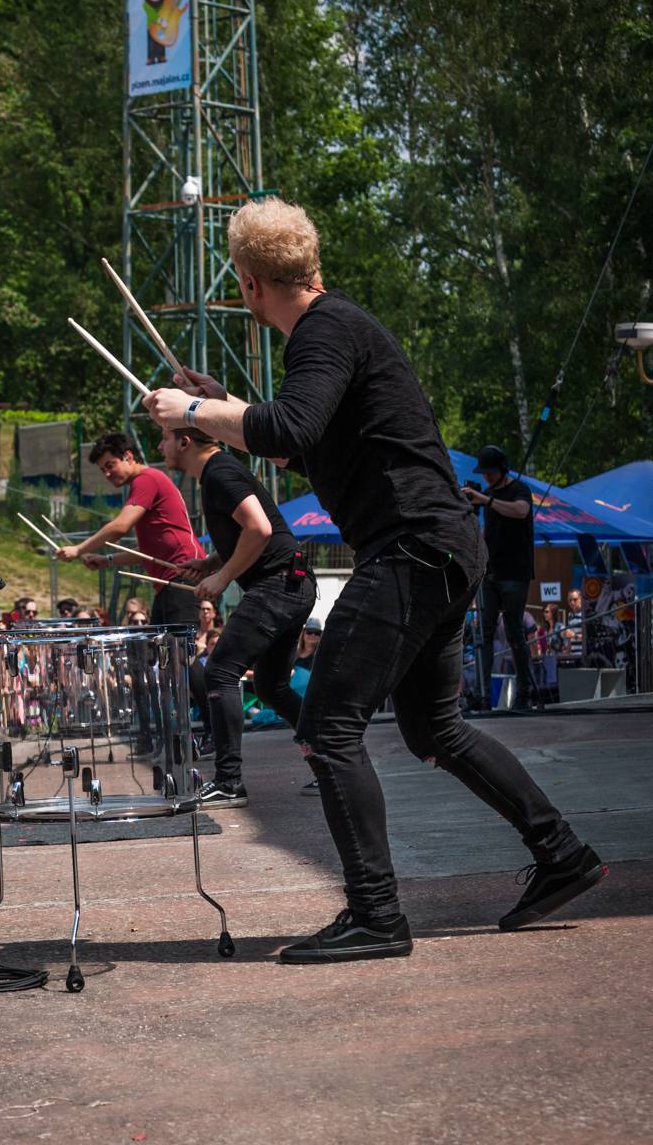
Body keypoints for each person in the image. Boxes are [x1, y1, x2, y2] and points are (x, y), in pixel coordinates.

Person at [144, 195, 604, 961]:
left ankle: (375, 914)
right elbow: (299, 446)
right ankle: (561, 855)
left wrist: (190, 405)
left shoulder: (322, 333)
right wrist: (224, 406)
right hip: (441, 548)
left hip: (411, 548)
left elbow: (286, 428)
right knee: (434, 728)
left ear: (251, 283)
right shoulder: (339, 329)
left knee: (328, 726)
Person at [160, 426, 315, 806]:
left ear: (185, 441)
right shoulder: (216, 474)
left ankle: (228, 782)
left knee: (221, 670)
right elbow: (246, 535)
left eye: (163, 437)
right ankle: (332, 758)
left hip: (278, 585)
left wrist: (222, 577)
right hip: (289, 584)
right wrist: (211, 561)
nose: (160, 446)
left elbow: (259, 529)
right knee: (270, 686)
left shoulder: (220, 472)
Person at [56, 432, 206, 626]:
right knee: (164, 651)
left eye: (110, 465)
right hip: (169, 582)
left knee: (179, 652)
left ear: (128, 456)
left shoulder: (146, 479)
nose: (107, 474)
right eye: (103, 470)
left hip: (183, 575)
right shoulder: (145, 482)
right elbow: (148, 552)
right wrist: (108, 560)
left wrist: (78, 549)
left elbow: (120, 526)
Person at [461, 445, 536, 709]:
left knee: (515, 632)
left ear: (502, 469)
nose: (487, 478)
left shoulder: (519, 490)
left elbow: (521, 511)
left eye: (490, 472)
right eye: (485, 473)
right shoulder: (488, 495)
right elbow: (487, 533)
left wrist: (486, 500)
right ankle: (482, 696)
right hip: (492, 573)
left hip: (515, 573)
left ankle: (524, 693)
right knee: (485, 633)